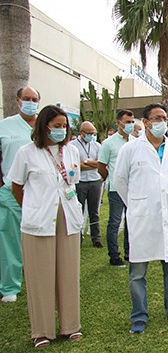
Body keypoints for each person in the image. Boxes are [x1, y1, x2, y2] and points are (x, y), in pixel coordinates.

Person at [9, 105, 83, 348]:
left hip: (67, 217)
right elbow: (17, 187)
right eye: (56, 126)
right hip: (39, 221)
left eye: (64, 126)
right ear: (44, 126)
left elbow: (72, 182)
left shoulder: (70, 151)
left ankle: (70, 326)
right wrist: (32, 207)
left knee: (68, 273)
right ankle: (41, 331)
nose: (61, 130)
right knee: (40, 276)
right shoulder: (26, 152)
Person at [114, 103, 168, 334]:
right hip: (142, 218)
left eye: (164, 118)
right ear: (146, 122)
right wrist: (138, 204)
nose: (162, 122)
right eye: (157, 118)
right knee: (137, 272)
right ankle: (139, 316)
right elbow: (120, 181)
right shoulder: (131, 149)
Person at [0, 86, 40, 303]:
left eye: (34, 99)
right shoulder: (5, 127)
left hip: (41, 192)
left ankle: (38, 279)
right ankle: (9, 286)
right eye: (26, 98)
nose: (30, 102)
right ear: (17, 101)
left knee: (39, 237)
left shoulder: (45, 126)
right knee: (10, 240)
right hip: (11, 191)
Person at [98, 110, 135, 267]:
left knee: (131, 221)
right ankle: (114, 256)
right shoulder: (109, 143)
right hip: (115, 189)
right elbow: (101, 165)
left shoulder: (135, 141)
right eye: (127, 122)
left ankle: (129, 253)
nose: (130, 125)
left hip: (133, 188)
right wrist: (110, 179)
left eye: (132, 122)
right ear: (119, 123)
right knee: (115, 222)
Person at [70, 121, 103, 247]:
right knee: (79, 210)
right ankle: (78, 236)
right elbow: (75, 166)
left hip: (95, 181)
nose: (91, 135)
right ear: (81, 133)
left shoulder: (97, 145)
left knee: (94, 211)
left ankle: (96, 238)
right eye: (89, 133)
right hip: (80, 182)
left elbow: (99, 163)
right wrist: (90, 163)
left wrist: (84, 163)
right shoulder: (72, 146)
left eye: (93, 133)